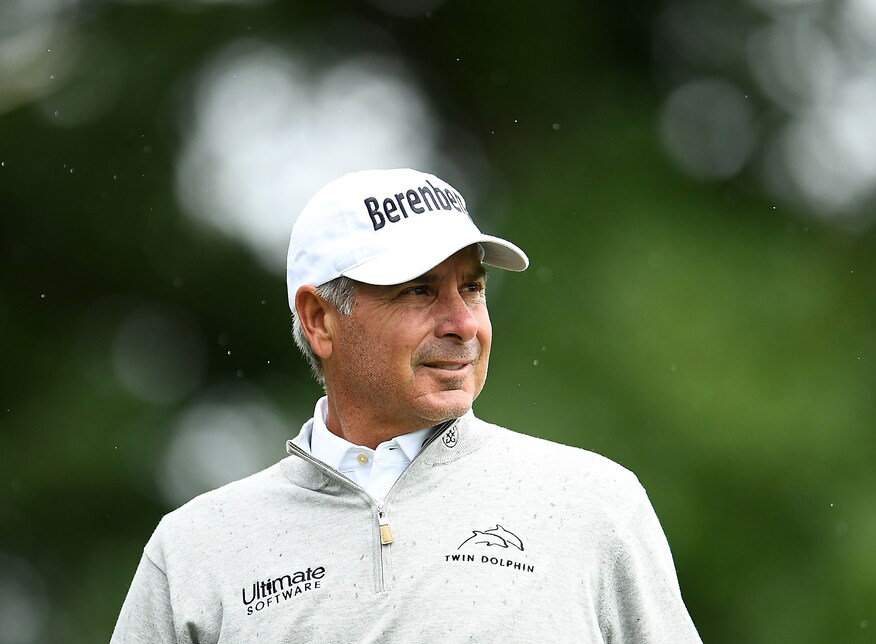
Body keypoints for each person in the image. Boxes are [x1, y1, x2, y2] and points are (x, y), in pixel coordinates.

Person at [111, 168, 702, 643]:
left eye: (471, 287)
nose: (463, 324)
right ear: (320, 320)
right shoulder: (195, 549)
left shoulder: (595, 506)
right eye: (419, 290)